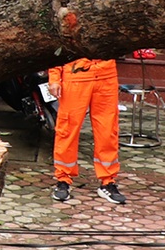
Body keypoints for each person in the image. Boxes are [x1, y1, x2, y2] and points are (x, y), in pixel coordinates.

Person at [47, 58, 124, 205]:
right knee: (67, 130)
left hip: (106, 76)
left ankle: (108, 181)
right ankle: (63, 179)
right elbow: (57, 49)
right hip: (75, 76)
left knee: (107, 131)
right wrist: (54, 78)